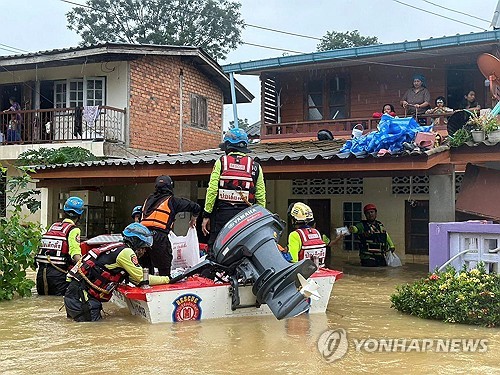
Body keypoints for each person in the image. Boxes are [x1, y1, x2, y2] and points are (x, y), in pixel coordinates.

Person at [64, 223, 170, 322]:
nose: (144, 251)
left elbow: (135, 280)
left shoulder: (116, 247)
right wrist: (168, 279)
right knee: (92, 332)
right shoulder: (126, 252)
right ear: (136, 243)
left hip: (74, 296)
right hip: (82, 299)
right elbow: (141, 278)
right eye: (143, 248)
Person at [201, 128, 266, 251]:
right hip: (246, 216)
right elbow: (261, 196)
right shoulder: (256, 166)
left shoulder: (221, 162)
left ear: (228, 146)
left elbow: (212, 190)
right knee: (244, 249)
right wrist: (259, 219)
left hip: (222, 215)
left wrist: (206, 215)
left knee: (216, 248)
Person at [140, 175, 201, 276]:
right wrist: (193, 219)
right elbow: (196, 207)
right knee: (164, 270)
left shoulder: (148, 199)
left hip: (143, 237)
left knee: (146, 272)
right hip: (159, 238)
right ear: (170, 187)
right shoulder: (172, 201)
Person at [35, 196, 84, 296]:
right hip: (58, 276)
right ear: (80, 215)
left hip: (41, 274)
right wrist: (85, 268)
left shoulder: (53, 226)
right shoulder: (74, 230)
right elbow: (75, 253)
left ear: (64, 212)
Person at [285, 202, 328, 267]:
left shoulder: (295, 235)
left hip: (303, 273)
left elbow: (293, 259)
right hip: (318, 270)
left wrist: (282, 253)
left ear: (294, 219)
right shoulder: (316, 232)